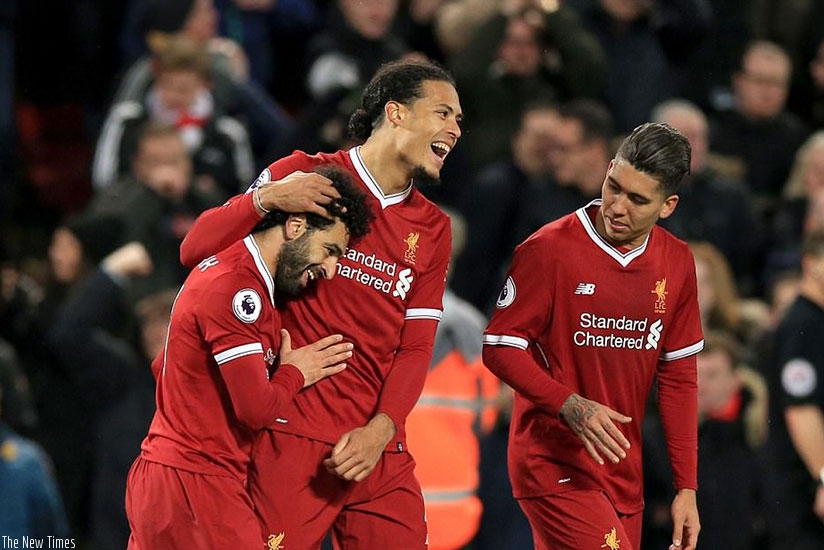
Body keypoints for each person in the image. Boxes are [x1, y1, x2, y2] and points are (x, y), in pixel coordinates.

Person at [179, 59, 460, 549]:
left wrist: (382, 429)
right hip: (293, 436)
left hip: (377, 448)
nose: (455, 130)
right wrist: (267, 197)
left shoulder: (433, 229)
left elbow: (415, 348)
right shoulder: (304, 175)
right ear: (395, 113)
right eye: (443, 114)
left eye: (459, 121)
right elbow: (194, 248)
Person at [125, 165, 373, 549]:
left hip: (163, 475)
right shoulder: (240, 290)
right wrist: (294, 372)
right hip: (199, 484)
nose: (331, 269)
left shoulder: (230, 269)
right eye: (330, 250)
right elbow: (255, 410)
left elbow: (162, 366)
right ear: (295, 227)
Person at [482, 122, 703, 550]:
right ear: (607, 170)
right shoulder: (548, 249)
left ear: (667, 205)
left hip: (622, 469)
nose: (617, 207)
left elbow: (679, 377)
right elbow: (500, 347)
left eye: (637, 200)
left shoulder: (676, 262)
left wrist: (686, 488)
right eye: (613, 187)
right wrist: (568, 404)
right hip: (552, 461)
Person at [763, 228, 824, 550]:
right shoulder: (803, 326)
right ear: (811, 263)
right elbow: (801, 408)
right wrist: (823, 478)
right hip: (801, 494)